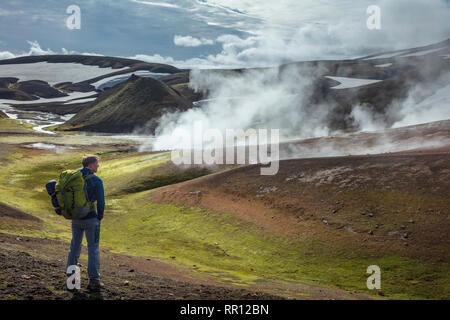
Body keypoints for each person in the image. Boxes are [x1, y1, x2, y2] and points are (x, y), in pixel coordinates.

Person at [65, 154, 105, 291]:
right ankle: (94, 281)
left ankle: (71, 281)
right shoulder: (96, 180)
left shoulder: (74, 177)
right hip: (91, 219)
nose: (98, 165)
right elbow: (101, 202)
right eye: (97, 163)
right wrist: (99, 217)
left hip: (75, 218)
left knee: (74, 248)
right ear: (91, 165)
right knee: (93, 249)